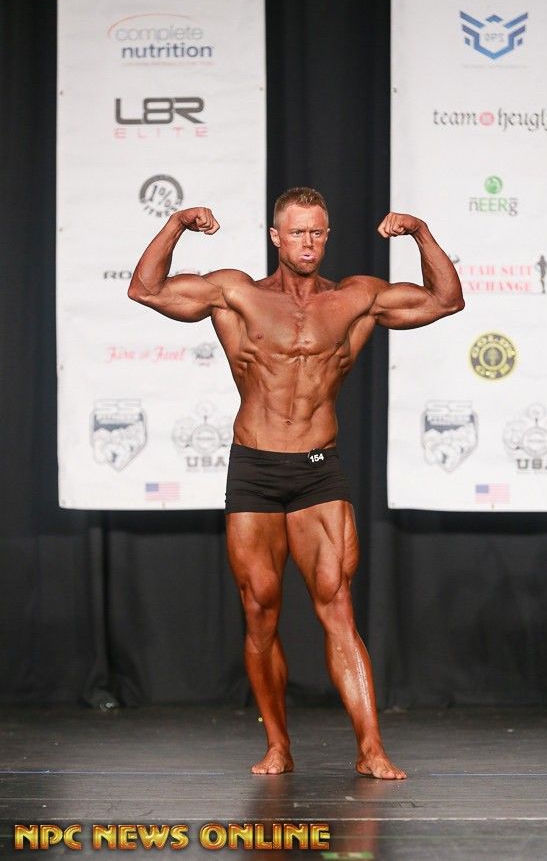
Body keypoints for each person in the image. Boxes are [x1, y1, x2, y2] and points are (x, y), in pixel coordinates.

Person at [128, 187, 464, 779]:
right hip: (255, 469)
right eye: (297, 232)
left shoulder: (355, 298)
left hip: (317, 470)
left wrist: (420, 232)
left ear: (326, 237)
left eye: (317, 232)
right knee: (260, 609)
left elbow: (446, 300)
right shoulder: (236, 294)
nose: (307, 243)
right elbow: (146, 289)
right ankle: (278, 745)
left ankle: (371, 749)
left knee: (338, 607)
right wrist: (177, 222)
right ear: (275, 237)